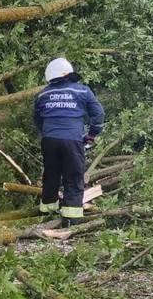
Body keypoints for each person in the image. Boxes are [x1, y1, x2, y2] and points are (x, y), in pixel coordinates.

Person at [33, 57, 104, 227]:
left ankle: (47, 210)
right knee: (73, 176)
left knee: (51, 174)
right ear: (69, 73)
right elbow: (98, 114)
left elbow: (37, 119)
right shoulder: (82, 91)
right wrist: (92, 134)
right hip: (72, 140)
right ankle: (71, 218)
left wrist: (47, 133)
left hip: (49, 140)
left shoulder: (42, 94)